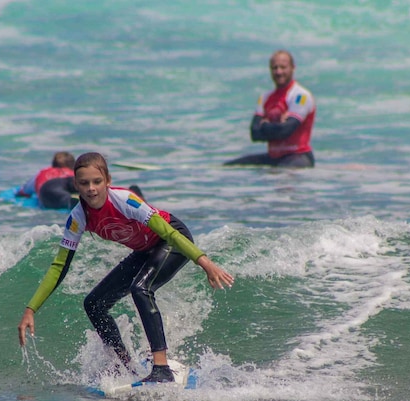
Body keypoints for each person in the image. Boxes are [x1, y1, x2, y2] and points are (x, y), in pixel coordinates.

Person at [17, 152, 234, 383]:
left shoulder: (125, 200)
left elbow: (169, 233)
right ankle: (124, 366)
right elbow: (59, 266)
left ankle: (161, 368)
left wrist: (205, 263)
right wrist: (31, 309)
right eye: (84, 183)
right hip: (145, 250)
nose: (91, 188)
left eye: (97, 182)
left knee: (141, 288)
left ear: (107, 181)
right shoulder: (77, 218)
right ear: (75, 185)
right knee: (94, 304)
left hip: (172, 240)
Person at [224, 50, 316, 168]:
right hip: (273, 157)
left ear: (293, 68)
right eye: (274, 68)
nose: (278, 72)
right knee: (230, 167)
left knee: (280, 175)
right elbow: (254, 133)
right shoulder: (265, 97)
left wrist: (265, 126)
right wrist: (277, 127)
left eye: (283, 67)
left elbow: (286, 130)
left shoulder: (300, 96)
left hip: (298, 156)